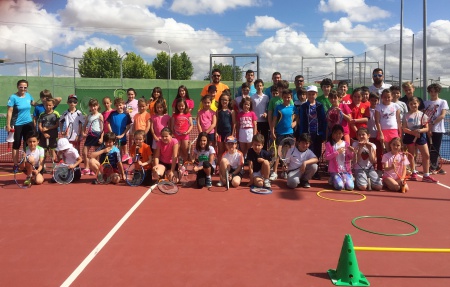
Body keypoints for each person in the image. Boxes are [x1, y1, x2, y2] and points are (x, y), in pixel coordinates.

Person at [402, 97, 438, 183]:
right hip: (409, 136)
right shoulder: (406, 115)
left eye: (415, 103)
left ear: (418, 104)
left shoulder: (423, 115)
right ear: (408, 105)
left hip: (421, 137)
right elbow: (404, 128)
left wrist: (419, 131)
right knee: (411, 155)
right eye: (411, 104)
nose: (413, 105)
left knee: (426, 155)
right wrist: (413, 133)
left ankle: (426, 175)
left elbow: (426, 128)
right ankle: (413, 172)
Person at [6, 79, 36, 172]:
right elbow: (9, 111)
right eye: (21, 87)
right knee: (16, 145)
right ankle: (15, 165)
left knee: (29, 144)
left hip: (28, 123)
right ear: (17, 87)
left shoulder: (28, 95)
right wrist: (8, 124)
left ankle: (28, 164)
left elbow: (33, 103)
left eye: (25, 87)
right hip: (17, 124)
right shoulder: (13, 97)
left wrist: (44, 103)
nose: (23, 89)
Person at [297, 85, 326, 180]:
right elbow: (301, 121)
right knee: (307, 152)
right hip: (307, 134)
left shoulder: (320, 106)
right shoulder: (303, 106)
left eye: (313, 94)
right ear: (307, 95)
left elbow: (323, 120)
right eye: (309, 94)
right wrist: (301, 134)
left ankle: (315, 172)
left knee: (317, 152)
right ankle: (305, 171)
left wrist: (323, 134)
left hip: (317, 134)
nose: (311, 96)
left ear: (316, 95)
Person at [270, 89, 298, 180]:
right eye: (285, 97)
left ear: (291, 98)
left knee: (288, 154)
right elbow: (274, 120)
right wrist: (272, 131)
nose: (287, 99)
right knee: (278, 154)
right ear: (282, 97)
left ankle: (285, 171)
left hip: (290, 133)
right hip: (280, 133)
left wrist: (295, 123)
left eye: (288, 97)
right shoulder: (278, 107)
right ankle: (274, 172)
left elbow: (298, 117)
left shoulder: (293, 108)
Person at [424, 83, 449, 175]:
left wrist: (432, 123)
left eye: (435, 91)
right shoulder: (426, 103)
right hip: (427, 130)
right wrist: (428, 127)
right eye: (431, 91)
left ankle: (435, 166)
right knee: (428, 148)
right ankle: (432, 166)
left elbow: (442, 115)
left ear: (438, 91)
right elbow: (424, 116)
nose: (433, 93)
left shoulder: (443, 102)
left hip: (438, 129)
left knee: (436, 149)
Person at [325, 124, 355, 191]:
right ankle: (333, 179)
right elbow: (327, 157)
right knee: (339, 186)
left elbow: (350, 157)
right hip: (335, 170)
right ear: (332, 134)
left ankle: (347, 177)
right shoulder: (329, 144)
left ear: (342, 134)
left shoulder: (346, 144)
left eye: (339, 133)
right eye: (335, 133)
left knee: (350, 187)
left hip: (345, 170)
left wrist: (351, 152)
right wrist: (337, 152)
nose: (337, 135)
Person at [81, 98, 104, 175]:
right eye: (91, 106)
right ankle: (87, 168)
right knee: (84, 152)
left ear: (97, 106)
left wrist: (101, 138)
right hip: (90, 135)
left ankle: (95, 168)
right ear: (90, 107)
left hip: (97, 135)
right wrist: (83, 133)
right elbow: (84, 125)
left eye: (95, 106)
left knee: (97, 154)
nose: (93, 108)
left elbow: (102, 128)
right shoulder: (88, 116)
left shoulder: (100, 115)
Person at [107, 97, 132, 162]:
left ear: (123, 104)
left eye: (120, 105)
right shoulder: (112, 114)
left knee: (123, 150)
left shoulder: (126, 114)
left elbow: (128, 126)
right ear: (115, 105)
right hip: (114, 137)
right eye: (117, 105)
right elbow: (108, 123)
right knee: (115, 151)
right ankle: (116, 164)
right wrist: (112, 133)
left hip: (122, 136)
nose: (119, 107)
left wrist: (123, 134)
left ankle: (126, 159)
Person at [37, 98, 60, 168]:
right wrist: (44, 133)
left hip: (53, 135)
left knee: (52, 150)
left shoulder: (56, 114)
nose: (48, 107)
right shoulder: (42, 114)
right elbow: (40, 125)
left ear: (53, 105)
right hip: (43, 136)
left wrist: (48, 128)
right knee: (43, 151)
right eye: (46, 105)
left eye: (50, 105)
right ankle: (42, 165)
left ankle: (54, 165)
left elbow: (57, 124)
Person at [216, 91, 236, 165]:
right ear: (220, 101)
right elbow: (216, 123)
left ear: (228, 101)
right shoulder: (218, 111)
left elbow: (234, 123)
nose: (224, 101)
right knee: (220, 151)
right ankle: (219, 166)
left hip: (228, 133)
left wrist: (232, 134)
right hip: (220, 134)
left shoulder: (231, 111)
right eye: (222, 100)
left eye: (226, 100)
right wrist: (216, 132)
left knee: (227, 150)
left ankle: (228, 165)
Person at [171, 97, 193, 162]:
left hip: (185, 136)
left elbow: (191, 125)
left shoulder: (188, 114)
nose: (181, 107)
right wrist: (173, 135)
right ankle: (178, 166)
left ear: (185, 106)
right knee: (177, 152)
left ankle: (184, 166)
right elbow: (172, 127)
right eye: (179, 106)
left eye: (182, 106)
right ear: (177, 106)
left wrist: (187, 132)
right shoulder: (174, 115)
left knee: (185, 151)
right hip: (176, 136)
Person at [251, 79, 270, 150]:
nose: (259, 87)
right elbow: (251, 109)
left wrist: (266, 113)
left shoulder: (266, 97)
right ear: (255, 87)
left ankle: (264, 152)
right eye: (257, 86)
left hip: (264, 121)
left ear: (263, 87)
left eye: (260, 85)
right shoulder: (252, 97)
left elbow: (268, 108)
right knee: (256, 138)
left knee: (264, 138)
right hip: (256, 122)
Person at [367, 93, 383, 171]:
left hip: (378, 135)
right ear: (369, 100)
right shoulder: (367, 110)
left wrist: (381, 133)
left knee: (379, 153)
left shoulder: (380, 110)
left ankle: (380, 169)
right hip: (369, 136)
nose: (374, 102)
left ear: (378, 101)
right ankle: (371, 169)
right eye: (372, 100)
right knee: (370, 154)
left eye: (375, 100)